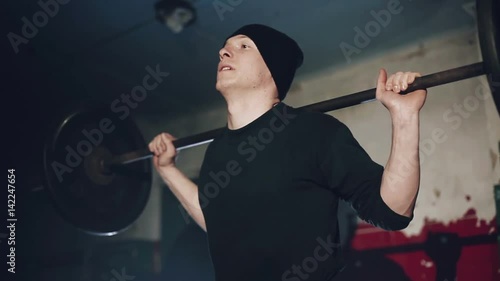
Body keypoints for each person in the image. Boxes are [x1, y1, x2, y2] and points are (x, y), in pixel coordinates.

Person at [148, 24, 426, 281]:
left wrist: (404, 117)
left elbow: (393, 211)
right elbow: (218, 222)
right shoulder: (216, 152)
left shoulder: (315, 131)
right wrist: (167, 169)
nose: (223, 51)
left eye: (244, 46)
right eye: (225, 47)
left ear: (272, 69)